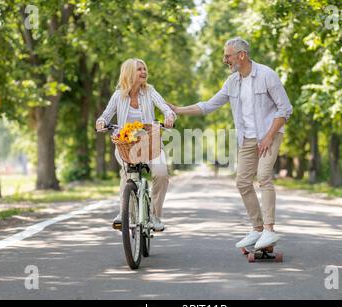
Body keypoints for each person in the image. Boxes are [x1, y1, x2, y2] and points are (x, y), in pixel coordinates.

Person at [169, 37, 292, 250]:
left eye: (228, 55)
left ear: (241, 55)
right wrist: (178, 110)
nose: (225, 59)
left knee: (263, 176)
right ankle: (258, 229)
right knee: (243, 182)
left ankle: (270, 230)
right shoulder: (232, 82)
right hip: (246, 138)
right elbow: (207, 106)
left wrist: (269, 136)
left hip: (269, 134)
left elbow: (285, 109)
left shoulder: (266, 75)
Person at [96, 58, 176, 231]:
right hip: (126, 146)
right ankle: (124, 213)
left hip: (151, 144)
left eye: (144, 68)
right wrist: (101, 122)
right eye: (139, 69)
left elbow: (165, 108)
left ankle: (155, 216)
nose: (143, 72)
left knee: (161, 174)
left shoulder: (150, 91)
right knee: (127, 175)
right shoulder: (118, 95)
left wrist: (169, 117)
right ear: (129, 73)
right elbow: (105, 115)